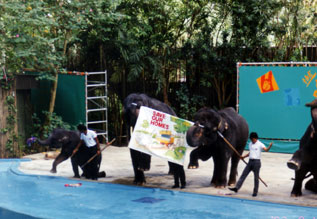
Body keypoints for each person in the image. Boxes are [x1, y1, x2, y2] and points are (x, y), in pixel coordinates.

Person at [229, 132, 273, 197]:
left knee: (256, 178)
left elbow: (266, 150)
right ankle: (236, 188)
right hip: (250, 162)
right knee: (243, 175)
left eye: (252, 139)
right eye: (251, 139)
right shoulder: (250, 144)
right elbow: (250, 152)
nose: (252, 140)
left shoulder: (260, 144)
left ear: (255, 138)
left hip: (256, 162)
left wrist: (270, 146)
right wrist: (243, 156)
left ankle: (255, 192)